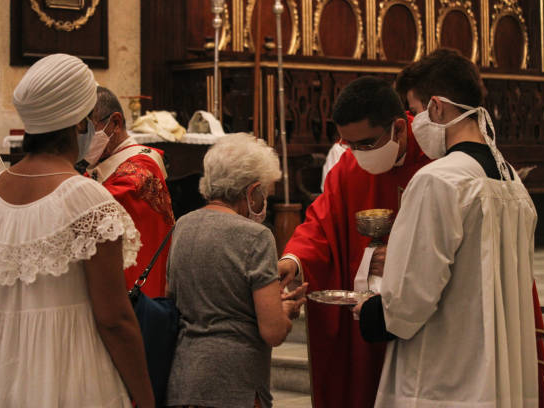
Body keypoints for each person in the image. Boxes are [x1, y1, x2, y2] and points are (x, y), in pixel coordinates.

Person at [355, 48, 541, 407]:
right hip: (500, 373)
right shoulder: (513, 183)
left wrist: (372, 311)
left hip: (447, 376)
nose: (413, 122)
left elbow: (410, 299)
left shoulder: (438, 180)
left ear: (436, 107)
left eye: (414, 111)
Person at [0, 54, 153, 407]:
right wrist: (146, 398)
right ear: (79, 123)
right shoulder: (85, 199)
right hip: (71, 374)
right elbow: (115, 320)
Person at [278, 76, 430, 408]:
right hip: (372, 313)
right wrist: (293, 260)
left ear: (399, 128)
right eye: (349, 144)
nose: (357, 153)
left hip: (427, 319)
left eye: (365, 143)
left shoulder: (437, 157)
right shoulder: (350, 167)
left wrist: (406, 257)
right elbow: (320, 224)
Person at [165, 133, 308, 408]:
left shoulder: (183, 225)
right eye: (264, 192)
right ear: (253, 190)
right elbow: (273, 333)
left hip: (184, 378)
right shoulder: (255, 237)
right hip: (235, 384)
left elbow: (173, 298)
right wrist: (285, 313)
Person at [84, 86, 175, 297]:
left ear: (115, 123)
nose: (82, 139)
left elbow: (97, 206)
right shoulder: (105, 162)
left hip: (138, 289)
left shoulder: (142, 166)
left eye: (87, 129)